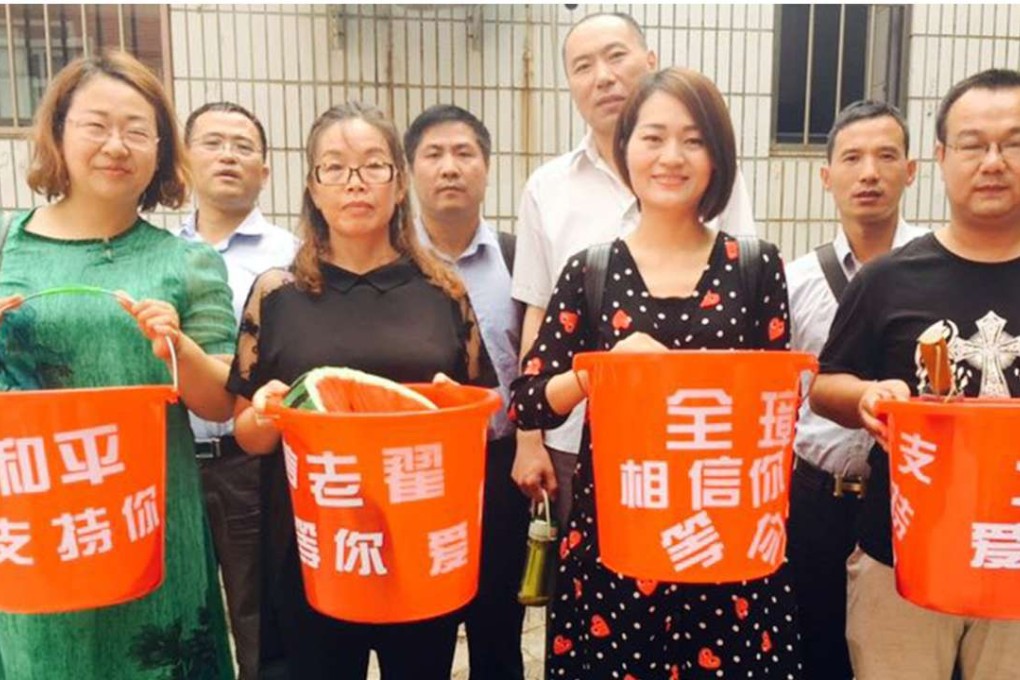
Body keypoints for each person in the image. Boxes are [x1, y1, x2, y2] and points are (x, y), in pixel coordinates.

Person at [509, 66, 801, 679]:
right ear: (626, 149)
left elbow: (780, 405)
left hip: (724, 536)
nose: (672, 157)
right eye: (653, 137)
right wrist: (596, 374)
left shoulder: (755, 266)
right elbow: (529, 400)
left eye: (693, 140)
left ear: (717, 158)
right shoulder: (590, 271)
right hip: (618, 535)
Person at [226, 101, 482, 680]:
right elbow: (248, 433)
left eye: (373, 165)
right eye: (334, 167)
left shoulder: (443, 291)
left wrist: (448, 409)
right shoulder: (277, 294)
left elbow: (473, 416)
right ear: (313, 189)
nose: (355, 182)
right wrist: (266, 415)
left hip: (415, 546)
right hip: (317, 548)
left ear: (399, 184)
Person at [0, 52, 236, 679]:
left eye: (137, 130)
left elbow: (223, 399)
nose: (116, 145)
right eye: (96, 125)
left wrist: (179, 349)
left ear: (161, 150)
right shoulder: (5, 250)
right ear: (58, 133)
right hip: (40, 527)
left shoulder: (187, 263)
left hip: (151, 520)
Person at [811, 68, 1020, 679]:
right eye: (973, 144)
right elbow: (825, 383)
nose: (993, 162)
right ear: (941, 157)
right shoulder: (889, 278)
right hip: (904, 552)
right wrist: (867, 397)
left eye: (1013, 143)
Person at [511, 11, 757, 527]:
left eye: (616, 56)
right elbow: (538, 314)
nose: (603, 76)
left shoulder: (748, 249)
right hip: (586, 443)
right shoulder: (549, 192)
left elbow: (761, 356)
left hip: (712, 457)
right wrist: (530, 440)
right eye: (583, 66)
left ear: (649, 60)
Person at [785, 99, 925, 679]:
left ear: (911, 170)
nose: (869, 172)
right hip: (817, 497)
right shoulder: (794, 280)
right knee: (816, 650)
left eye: (886, 156)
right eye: (852, 158)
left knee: (906, 655)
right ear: (826, 176)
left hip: (910, 503)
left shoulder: (937, 270)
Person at [404, 104, 530, 680]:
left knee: (499, 629)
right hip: (418, 475)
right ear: (411, 170)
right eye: (433, 155)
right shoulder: (392, 263)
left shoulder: (518, 259)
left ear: (487, 166)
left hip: (500, 467)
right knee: (422, 633)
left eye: (464, 153)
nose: (449, 167)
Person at [179, 101, 299, 679]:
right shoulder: (161, 253)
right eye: (212, 143)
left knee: (261, 618)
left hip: (252, 464)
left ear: (265, 170)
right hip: (172, 459)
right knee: (180, 612)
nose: (228, 156)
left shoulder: (293, 257)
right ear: (184, 160)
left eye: (243, 146)